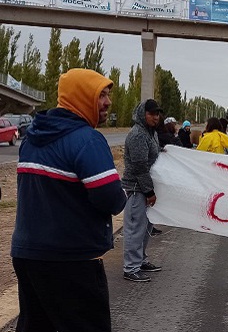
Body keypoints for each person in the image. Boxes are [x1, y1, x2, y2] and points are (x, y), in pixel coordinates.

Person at [11, 68, 127, 331]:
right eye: (101, 95)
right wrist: (123, 194)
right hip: (71, 260)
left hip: (28, 254)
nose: (108, 102)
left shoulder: (32, 137)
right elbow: (110, 196)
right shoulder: (87, 140)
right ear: (82, 97)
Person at [122, 99, 164, 282]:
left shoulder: (151, 133)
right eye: (152, 113)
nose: (156, 117)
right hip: (137, 188)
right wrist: (148, 192)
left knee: (146, 227)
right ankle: (130, 268)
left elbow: (153, 155)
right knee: (135, 228)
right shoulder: (138, 134)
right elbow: (140, 167)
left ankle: (140, 260)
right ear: (143, 114)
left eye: (158, 114)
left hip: (146, 187)